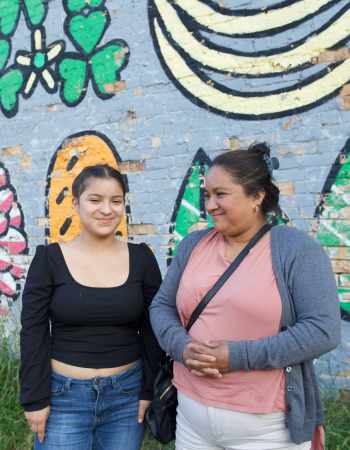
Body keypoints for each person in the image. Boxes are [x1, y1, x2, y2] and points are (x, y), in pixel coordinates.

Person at [150, 143, 341, 450]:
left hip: (267, 429)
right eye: (207, 194)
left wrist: (236, 357)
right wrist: (182, 347)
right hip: (191, 419)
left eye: (221, 194)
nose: (210, 204)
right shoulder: (193, 245)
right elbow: (161, 306)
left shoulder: (295, 250)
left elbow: (323, 330)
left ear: (256, 196)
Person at [20, 164, 163, 450]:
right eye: (95, 200)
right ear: (76, 203)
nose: (107, 210)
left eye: (116, 201)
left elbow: (153, 330)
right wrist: (35, 398)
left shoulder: (143, 259)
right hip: (63, 398)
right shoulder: (49, 259)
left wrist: (149, 390)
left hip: (127, 397)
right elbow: (33, 331)